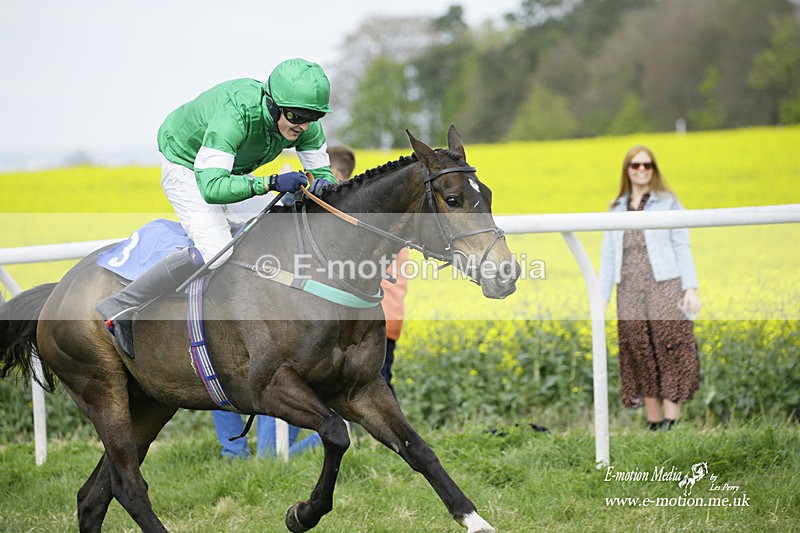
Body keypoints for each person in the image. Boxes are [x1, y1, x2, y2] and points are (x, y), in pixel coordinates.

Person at [96, 58, 337, 357]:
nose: (304, 125)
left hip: (226, 169)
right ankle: (121, 305)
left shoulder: (304, 123)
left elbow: (323, 173)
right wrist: (272, 182)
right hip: (186, 163)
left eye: (313, 117)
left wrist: (323, 184)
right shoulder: (235, 114)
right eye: (296, 116)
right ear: (273, 104)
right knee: (216, 251)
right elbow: (212, 189)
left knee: (278, 221)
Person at [598, 145, 701, 431]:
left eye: (647, 165)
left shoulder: (668, 202)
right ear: (627, 170)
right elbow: (608, 253)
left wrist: (690, 287)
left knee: (670, 347)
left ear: (654, 169)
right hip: (628, 288)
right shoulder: (616, 207)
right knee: (639, 351)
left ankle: (671, 422)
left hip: (665, 284)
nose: (642, 170)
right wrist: (602, 296)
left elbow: (682, 243)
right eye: (636, 165)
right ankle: (654, 424)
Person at [326, 145, 409, 397]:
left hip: (369, 314)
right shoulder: (375, 212)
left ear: (334, 173)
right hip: (388, 313)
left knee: (375, 392)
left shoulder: (357, 216)